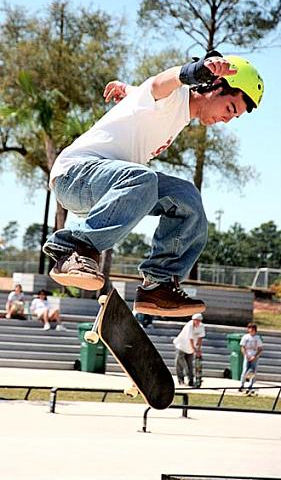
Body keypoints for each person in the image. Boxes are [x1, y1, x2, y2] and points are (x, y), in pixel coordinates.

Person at [42, 50, 264, 317]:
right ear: (215, 86)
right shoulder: (176, 94)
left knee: (186, 198)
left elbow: (147, 96)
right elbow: (160, 84)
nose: (227, 119)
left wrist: (127, 90)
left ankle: (158, 284)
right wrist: (193, 71)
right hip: (75, 175)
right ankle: (72, 249)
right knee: (143, 178)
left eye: (235, 116)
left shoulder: (177, 112)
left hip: (106, 184)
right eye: (230, 108)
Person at [173, 313, 205, 386]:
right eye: (196, 320)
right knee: (181, 364)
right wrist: (194, 350)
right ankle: (180, 380)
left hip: (190, 348)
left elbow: (200, 338)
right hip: (181, 346)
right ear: (193, 320)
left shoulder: (201, 326)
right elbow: (190, 339)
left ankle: (191, 380)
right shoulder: (189, 325)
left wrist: (198, 349)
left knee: (190, 365)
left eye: (199, 321)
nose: (197, 322)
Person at [239, 322, 263, 394]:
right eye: (249, 329)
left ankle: (250, 385)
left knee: (253, 372)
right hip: (247, 356)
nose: (250, 330)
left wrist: (255, 356)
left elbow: (260, 349)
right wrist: (245, 355)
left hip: (254, 357)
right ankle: (241, 385)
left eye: (252, 329)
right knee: (245, 371)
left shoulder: (257, 338)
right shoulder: (245, 337)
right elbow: (242, 347)